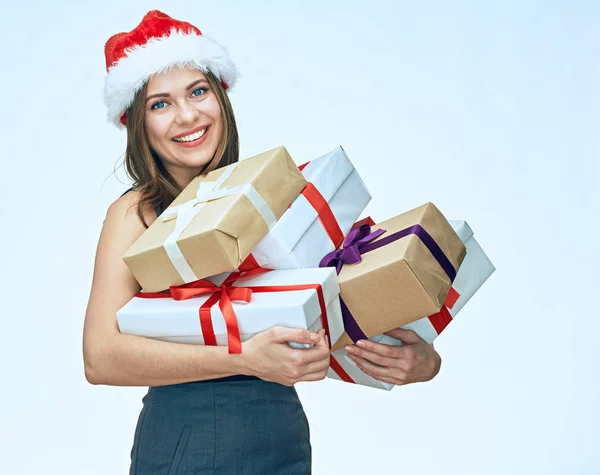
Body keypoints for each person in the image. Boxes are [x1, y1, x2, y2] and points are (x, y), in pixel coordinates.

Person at [83, 10, 441, 474]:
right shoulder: (137, 213)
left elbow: (337, 314)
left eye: (198, 91)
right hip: (189, 445)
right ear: (138, 124)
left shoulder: (268, 197)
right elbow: (100, 357)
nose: (188, 115)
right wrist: (245, 358)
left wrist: (423, 361)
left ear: (220, 96)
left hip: (282, 441)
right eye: (160, 103)